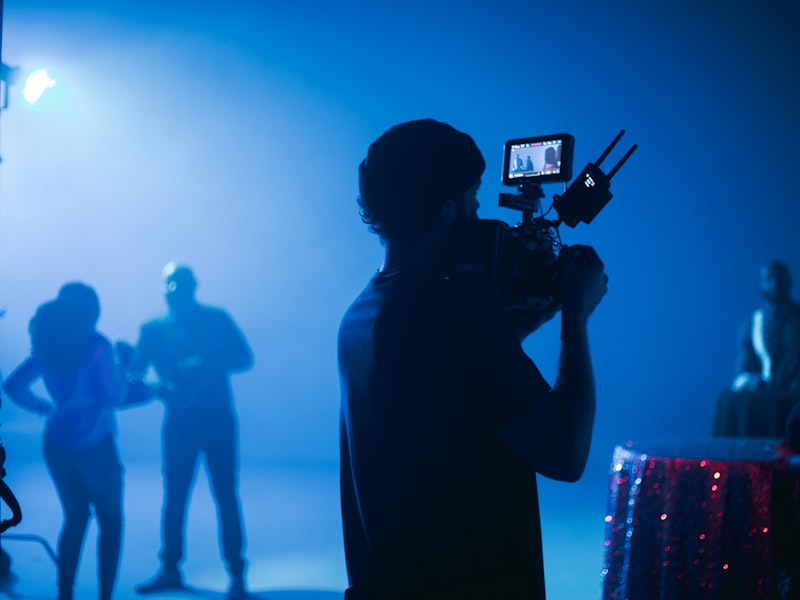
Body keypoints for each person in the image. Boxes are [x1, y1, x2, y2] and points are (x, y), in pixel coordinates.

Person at [338, 118, 608, 598]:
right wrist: (575, 318)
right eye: (475, 197)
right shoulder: (454, 315)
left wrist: (510, 331)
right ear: (448, 210)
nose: (481, 211)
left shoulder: (361, 314)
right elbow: (565, 454)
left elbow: (451, 396)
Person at [131, 262, 253, 599]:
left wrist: (207, 363)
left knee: (224, 495)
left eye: (179, 285)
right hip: (184, 423)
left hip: (216, 422)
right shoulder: (154, 328)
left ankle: (235, 571)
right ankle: (173, 567)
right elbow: (132, 374)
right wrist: (156, 386)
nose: (174, 292)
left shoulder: (216, 319)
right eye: (170, 284)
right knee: (178, 497)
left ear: (193, 287)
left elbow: (245, 357)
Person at [3, 283, 127, 600]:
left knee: (75, 518)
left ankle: (65, 595)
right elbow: (112, 395)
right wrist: (127, 365)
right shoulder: (97, 345)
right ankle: (104, 596)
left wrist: (44, 407)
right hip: (96, 444)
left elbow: (13, 385)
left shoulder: (47, 345)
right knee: (110, 522)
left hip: (57, 444)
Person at [714, 260, 800, 437]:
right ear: (762, 283)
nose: (775, 283)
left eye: (780, 278)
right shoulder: (753, 324)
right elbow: (742, 370)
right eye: (770, 278)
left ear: (789, 282)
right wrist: (751, 380)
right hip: (764, 402)